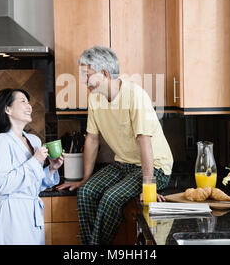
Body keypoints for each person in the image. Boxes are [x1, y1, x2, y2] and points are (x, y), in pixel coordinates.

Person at [57, 46, 173, 245]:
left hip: (156, 168)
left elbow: (144, 140)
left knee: (111, 198)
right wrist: (85, 178)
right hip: (123, 165)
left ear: (104, 74)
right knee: (85, 192)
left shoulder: (135, 95)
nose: (84, 81)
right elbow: (92, 139)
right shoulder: (95, 99)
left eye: (87, 75)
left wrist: (148, 185)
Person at [0, 88, 64, 245]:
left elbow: (31, 183)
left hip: (31, 212)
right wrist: (35, 161)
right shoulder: (2, 141)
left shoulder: (33, 140)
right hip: (11, 215)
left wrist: (51, 169)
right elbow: (0, 184)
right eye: (23, 101)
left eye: (29, 102)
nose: (29, 106)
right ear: (7, 109)